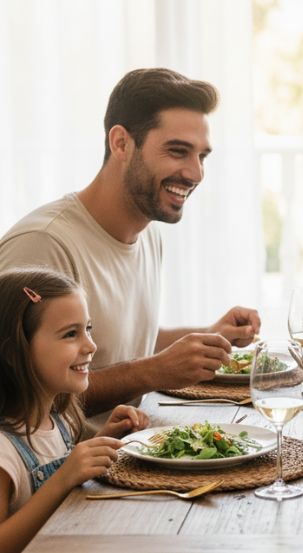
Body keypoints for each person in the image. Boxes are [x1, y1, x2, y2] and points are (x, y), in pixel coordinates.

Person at [0, 68, 261, 427]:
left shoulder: (148, 232)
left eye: (202, 156)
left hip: (130, 448)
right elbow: (14, 396)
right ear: (121, 143)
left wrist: (208, 335)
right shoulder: (44, 245)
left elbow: (123, 345)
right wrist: (152, 373)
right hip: (67, 476)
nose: (195, 173)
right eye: (177, 151)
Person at [0, 268, 150, 553]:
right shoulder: (4, 451)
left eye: (88, 329)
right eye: (71, 334)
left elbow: (61, 464)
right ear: (13, 352)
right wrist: (62, 480)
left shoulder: (59, 419)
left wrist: (100, 442)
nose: (90, 345)